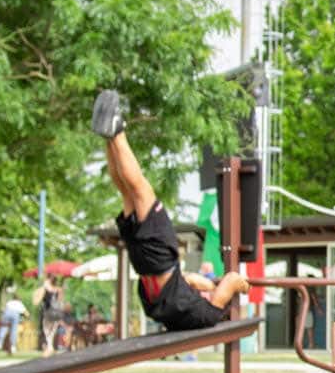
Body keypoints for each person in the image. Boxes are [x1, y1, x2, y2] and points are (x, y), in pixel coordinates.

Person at [90, 90, 250, 332]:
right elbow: (192, 280)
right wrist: (208, 285)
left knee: (141, 189)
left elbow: (232, 280)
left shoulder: (209, 314)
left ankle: (117, 133)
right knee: (126, 192)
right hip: (145, 269)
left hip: (160, 260)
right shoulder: (180, 312)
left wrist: (244, 287)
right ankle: (109, 140)